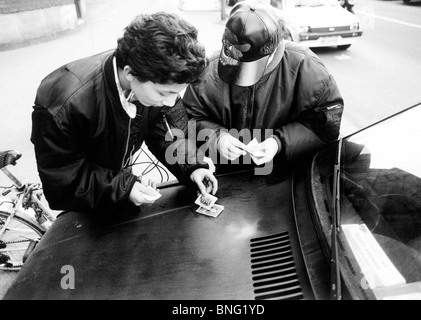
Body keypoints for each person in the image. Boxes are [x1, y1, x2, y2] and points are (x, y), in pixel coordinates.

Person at [31, 12, 218, 215]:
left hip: (115, 187)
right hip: (83, 212)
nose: (171, 102)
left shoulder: (152, 81)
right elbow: (62, 183)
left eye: (176, 93)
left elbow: (168, 131)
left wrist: (193, 167)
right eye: (165, 93)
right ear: (129, 73)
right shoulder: (63, 105)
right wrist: (123, 187)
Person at [183, 0, 344, 174]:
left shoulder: (307, 68)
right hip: (225, 175)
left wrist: (279, 143)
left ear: (274, 48)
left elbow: (325, 126)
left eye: (250, 63)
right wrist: (216, 138)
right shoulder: (209, 71)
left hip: (286, 175)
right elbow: (188, 118)